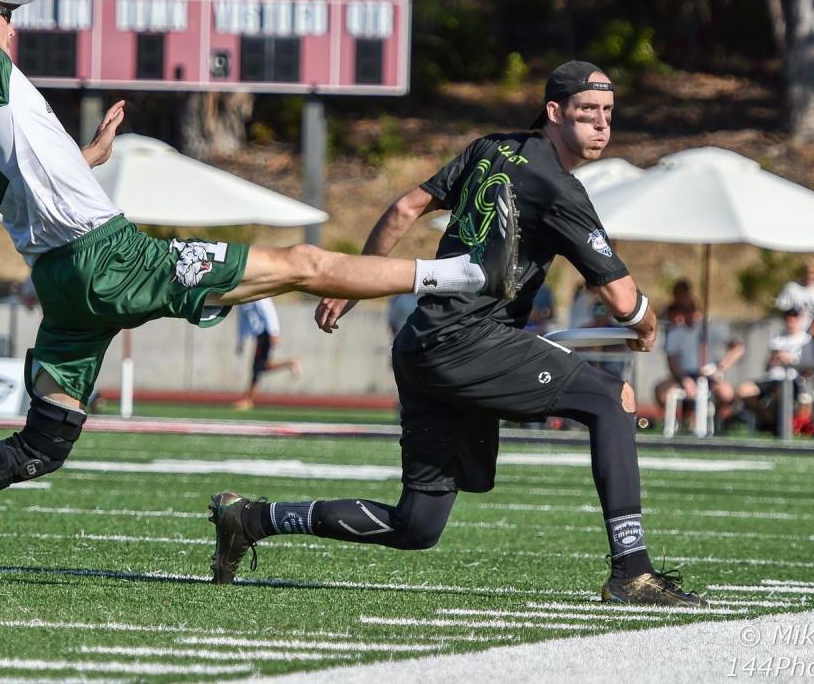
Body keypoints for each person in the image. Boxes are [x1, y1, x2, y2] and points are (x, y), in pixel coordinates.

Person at [0, 0, 518, 586]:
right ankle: (463, 272)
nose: (12, 25)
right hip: (108, 258)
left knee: (41, 445)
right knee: (303, 263)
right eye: (3, 13)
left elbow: (25, 174)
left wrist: (86, 159)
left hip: (60, 279)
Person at [210, 61, 707, 607]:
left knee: (417, 524)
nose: (602, 124)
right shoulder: (559, 188)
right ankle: (632, 571)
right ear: (554, 112)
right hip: (469, 342)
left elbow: (405, 207)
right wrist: (647, 324)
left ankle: (251, 518)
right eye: (588, 111)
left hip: (422, 345)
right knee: (612, 400)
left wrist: (354, 284)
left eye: (608, 112)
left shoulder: (490, 148)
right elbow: (623, 301)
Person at [654, 304, 744, 419]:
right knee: (662, 392)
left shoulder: (711, 329)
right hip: (683, 375)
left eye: (693, 312)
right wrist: (685, 379)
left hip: (709, 374)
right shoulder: (675, 333)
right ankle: (677, 421)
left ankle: (715, 420)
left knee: (726, 394)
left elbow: (738, 348)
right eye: (687, 311)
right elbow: (673, 362)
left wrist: (720, 368)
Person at [733, 308, 814, 433]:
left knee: (780, 393)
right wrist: (773, 360)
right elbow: (767, 368)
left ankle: (773, 425)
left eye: (794, 319)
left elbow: (809, 371)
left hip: (793, 380)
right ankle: (765, 418)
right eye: (788, 319)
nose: (790, 322)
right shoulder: (777, 338)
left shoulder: (807, 341)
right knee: (743, 391)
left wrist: (790, 359)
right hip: (773, 378)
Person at [233, 297, 301, 411]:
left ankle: (249, 400)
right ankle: (290, 363)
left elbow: (269, 312)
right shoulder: (241, 301)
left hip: (265, 333)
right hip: (259, 335)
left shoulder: (258, 296)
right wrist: (241, 340)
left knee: (257, 368)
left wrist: (273, 332)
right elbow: (242, 321)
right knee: (261, 366)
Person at [775, 258, 814, 330]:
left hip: (813, 332)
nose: (810, 276)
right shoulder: (791, 288)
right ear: (802, 273)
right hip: (792, 332)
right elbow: (780, 310)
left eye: (813, 272)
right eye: (807, 272)